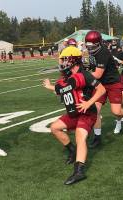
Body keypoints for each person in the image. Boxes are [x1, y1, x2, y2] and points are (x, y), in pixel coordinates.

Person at [43, 46, 105, 185]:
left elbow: (101, 90)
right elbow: (61, 89)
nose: (63, 62)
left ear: (74, 60)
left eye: (65, 59)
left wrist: (88, 103)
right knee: (54, 128)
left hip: (87, 113)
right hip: (74, 112)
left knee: (80, 135)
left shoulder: (85, 74)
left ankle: (79, 171)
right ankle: (72, 150)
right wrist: (50, 86)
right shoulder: (67, 76)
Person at [85, 30, 123, 146]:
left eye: (91, 46)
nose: (89, 48)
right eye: (88, 46)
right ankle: (97, 137)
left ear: (98, 43)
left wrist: (82, 75)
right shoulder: (94, 51)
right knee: (95, 110)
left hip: (112, 83)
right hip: (100, 84)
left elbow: (97, 74)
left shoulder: (103, 52)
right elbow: (95, 71)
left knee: (116, 111)